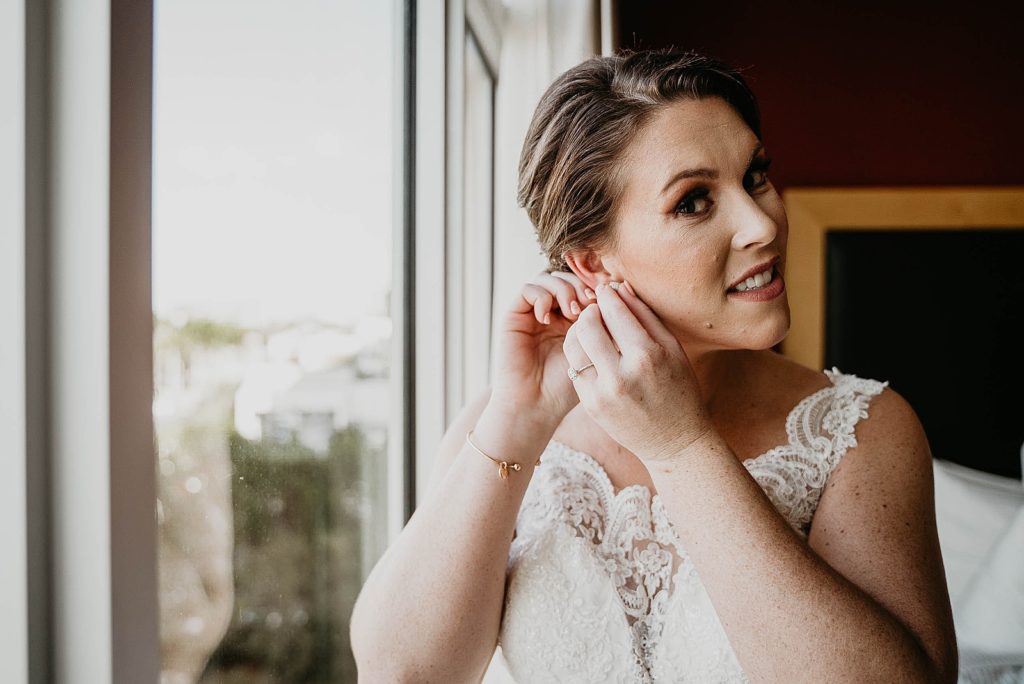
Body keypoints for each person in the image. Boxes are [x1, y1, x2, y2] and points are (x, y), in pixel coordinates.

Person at [349, 49, 958, 683]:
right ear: (591, 264)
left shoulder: (864, 431)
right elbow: (400, 674)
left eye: (755, 176)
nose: (763, 224)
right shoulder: (498, 425)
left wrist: (682, 446)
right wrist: (517, 421)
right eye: (694, 201)